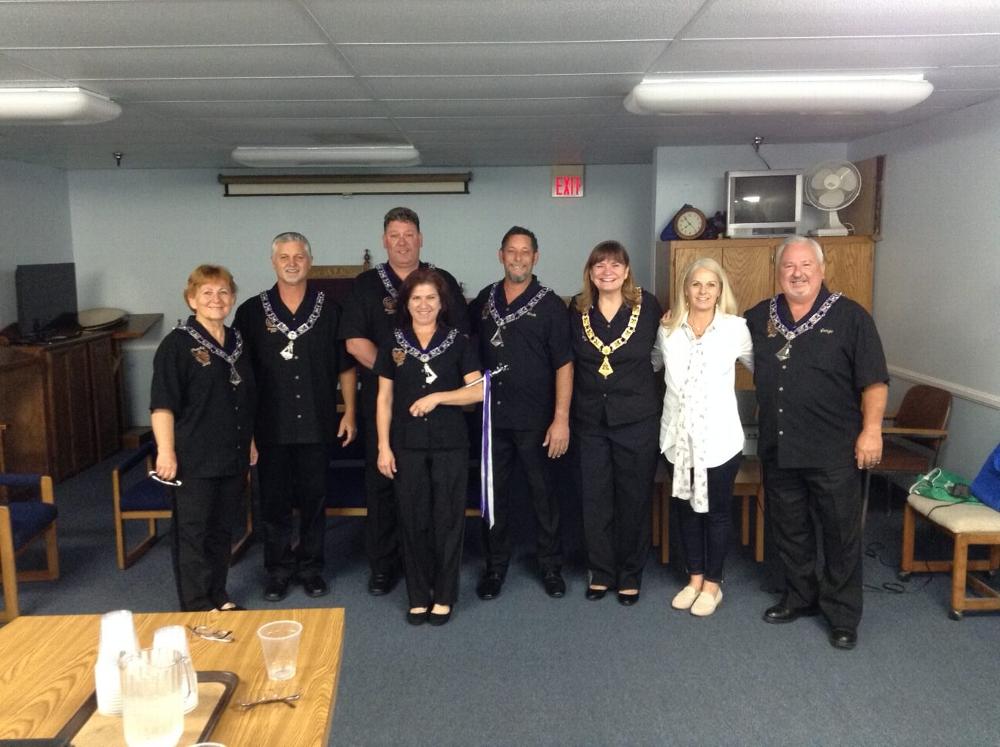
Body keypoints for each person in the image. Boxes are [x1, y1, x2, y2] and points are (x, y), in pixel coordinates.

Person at [745, 236, 887, 650]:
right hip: (780, 447)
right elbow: (715, 329)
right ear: (778, 272)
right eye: (789, 266)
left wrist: (872, 430)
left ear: (822, 270)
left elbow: (874, 381)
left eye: (806, 265)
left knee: (840, 534)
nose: (798, 273)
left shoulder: (851, 317)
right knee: (790, 529)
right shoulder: (760, 316)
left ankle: (842, 614)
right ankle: (799, 596)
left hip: (833, 449)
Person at [341, 207, 470, 596]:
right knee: (384, 484)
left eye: (409, 234)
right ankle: (383, 566)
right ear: (384, 240)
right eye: (394, 235)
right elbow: (354, 342)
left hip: (439, 410)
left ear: (420, 238)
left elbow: (461, 340)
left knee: (436, 495)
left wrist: (432, 387)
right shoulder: (365, 285)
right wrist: (398, 374)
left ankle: (433, 570)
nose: (402, 242)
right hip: (386, 405)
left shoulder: (442, 281)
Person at [233, 231, 357, 603]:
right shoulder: (251, 313)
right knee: (273, 503)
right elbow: (240, 377)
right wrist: (246, 431)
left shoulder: (330, 309)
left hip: (317, 422)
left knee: (315, 500)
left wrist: (350, 411)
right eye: (284, 257)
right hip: (269, 426)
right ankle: (278, 570)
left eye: (299, 257)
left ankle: (311, 568)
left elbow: (345, 366)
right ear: (273, 262)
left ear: (310, 262)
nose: (292, 263)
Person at [468, 226, 573, 600]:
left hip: (537, 420)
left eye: (525, 251)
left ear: (535, 257)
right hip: (491, 419)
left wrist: (561, 419)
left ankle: (550, 566)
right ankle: (495, 567)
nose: (517, 258)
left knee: (543, 495)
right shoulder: (484, 299)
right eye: (511, 251)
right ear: (501, 255)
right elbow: (465, 348)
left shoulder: (551, 305)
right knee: (493, 496)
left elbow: (564, 364)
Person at [374, 268, 483, 625]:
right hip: (406, 445)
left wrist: (439, 397)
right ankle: (418, 596)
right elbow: (384, 398)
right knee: (412, 518)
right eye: (417, 298)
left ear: (441, 303)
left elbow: (478, 391)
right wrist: (383, 446)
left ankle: (445, 596)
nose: (424, 305)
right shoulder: (393, 342)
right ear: (406, 303)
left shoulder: (458, 341)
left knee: (448, 520)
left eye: (431, 298)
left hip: (450, 444)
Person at [150, 264, 255, 611]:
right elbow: (162, 405)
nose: (216, 299)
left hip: (232, 453)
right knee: (193, 532)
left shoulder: (238, 342)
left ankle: (219, 594)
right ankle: (196, 603)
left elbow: (246, 398)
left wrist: (250, 440)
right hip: (192, 456)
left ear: (233, 298)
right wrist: (165, 451)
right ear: (191, 299)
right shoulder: (176, 345)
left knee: (223, 529)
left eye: (223, 292)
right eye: (206, 292)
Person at [653, 258, 753, 617]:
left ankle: (713, 584)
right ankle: (694, 579)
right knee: (685, 510)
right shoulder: (667, 329)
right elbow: (649, 364)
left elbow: (765, 370)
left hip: (719, 440)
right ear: (685, 289)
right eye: (696, 284)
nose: (703, 291)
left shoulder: (735, 329)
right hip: (677, 439)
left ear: (720, 290)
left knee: (716, 513)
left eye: (711, 284)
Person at [570, 241, 662, 605]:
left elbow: (663, 351)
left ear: (626, 271)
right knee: (595, 499)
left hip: (637, 419)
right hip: (590, 419)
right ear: (590, 272)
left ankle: (630, 574)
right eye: (599, 265)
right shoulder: (577, 308)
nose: (607, 271)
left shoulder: (648, 306)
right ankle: (601, 572)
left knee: (633, 499)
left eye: (614, 265)